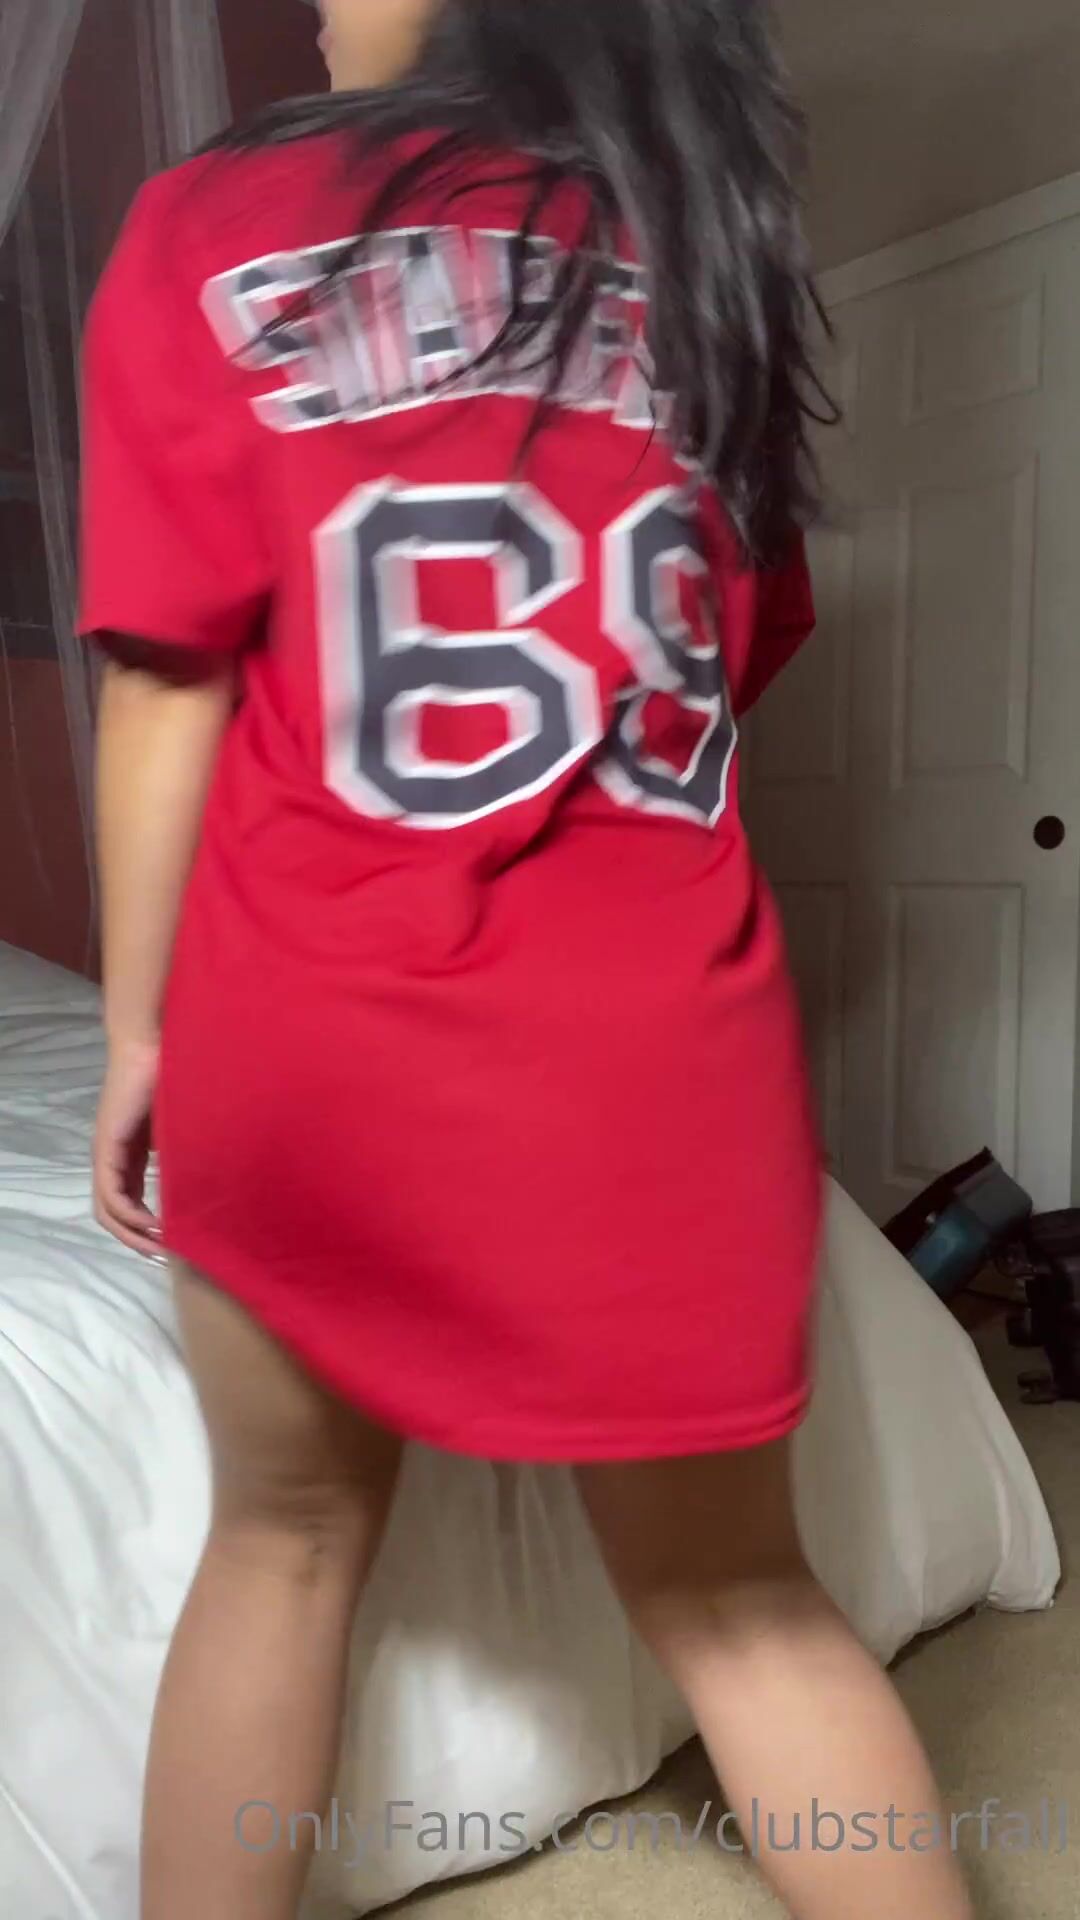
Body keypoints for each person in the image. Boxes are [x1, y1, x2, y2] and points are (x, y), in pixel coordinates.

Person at [79, 3, 974, 1918]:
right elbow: (730, 649)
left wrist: (141, 1029)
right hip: (661, 1054)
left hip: (309, 1026)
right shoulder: (698, 227)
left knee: (280, 1552)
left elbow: (165, 676)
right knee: (743, 1605)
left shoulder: (205, 221)